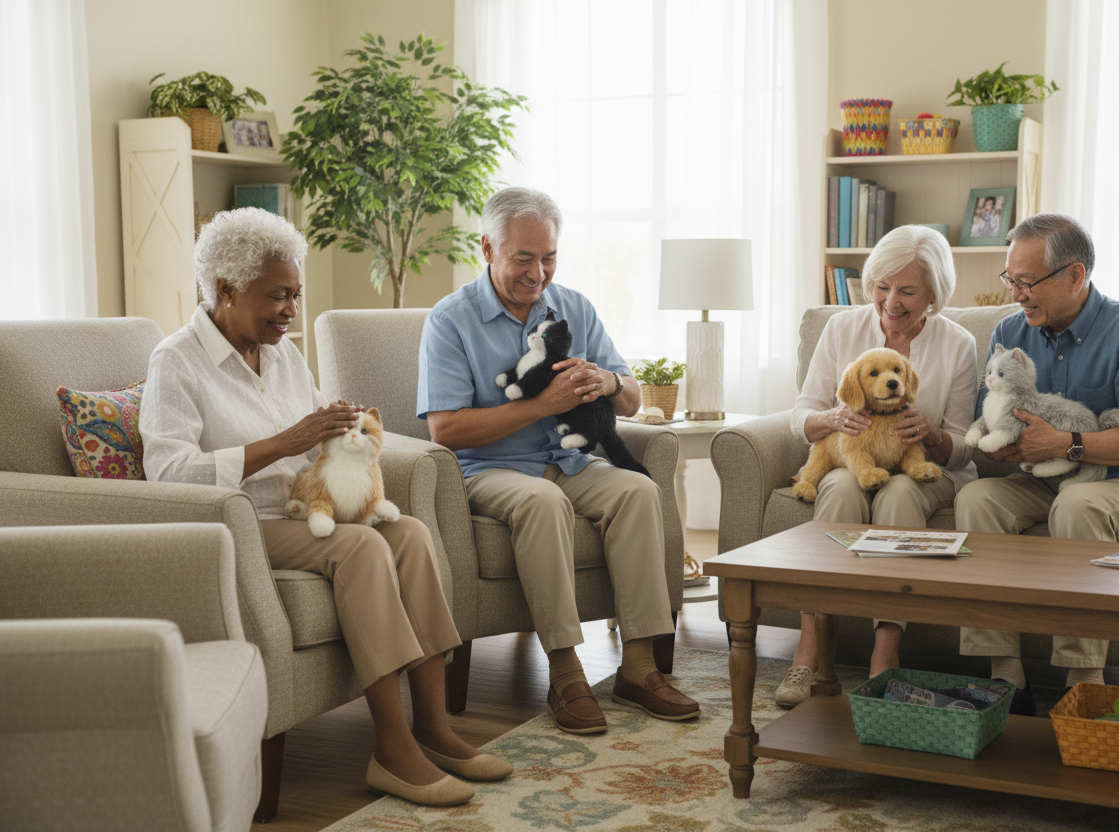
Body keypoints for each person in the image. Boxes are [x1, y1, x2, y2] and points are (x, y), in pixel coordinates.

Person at [140, 208, 510, 807]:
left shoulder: (282, 354)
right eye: (276, 296)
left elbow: (315, 435)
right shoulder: (176, 360)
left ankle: (433, 727)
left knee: (410, 534)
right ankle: (392, 749)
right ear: (227, 289)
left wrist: (342, 429)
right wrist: (284, 442)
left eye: (295, 295)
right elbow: (168, 473)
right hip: (238, 523)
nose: (290, 309)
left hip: (303, 511)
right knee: (360, 546)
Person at [417, 186, 700, 734]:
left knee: (638, 491)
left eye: (548, 257)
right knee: (542, 502)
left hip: (568, 461)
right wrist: (543, 404)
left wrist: (608, 380)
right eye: (523, 258)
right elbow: (445, 429)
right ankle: (567, 674)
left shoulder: (574, 307)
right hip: (488, 469)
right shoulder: (450, 320)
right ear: (487, 249)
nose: (538, 273)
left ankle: (639, 668)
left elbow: (631, 399)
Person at [955, 212, 1119, 716]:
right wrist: (1004, 445)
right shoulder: (1010, 331)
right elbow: (991, 418)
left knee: (1077, 504)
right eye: (1010, 279)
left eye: (1027, 282)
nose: (1016, 293)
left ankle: (1084, 681)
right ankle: (1005, 678)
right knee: (976, 498)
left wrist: (1062, 444)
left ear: (1075, 275)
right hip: (1041, 479)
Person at [776, 225, 980, 707]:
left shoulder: (958, 343)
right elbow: (801, 415)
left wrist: (930, 434)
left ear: (934, 294)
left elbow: (965, 448)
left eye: (907, 291)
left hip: (923, 468)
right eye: (882, 286)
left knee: (900, 493)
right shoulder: (841, 328)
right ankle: (809, 650)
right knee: (840, 489)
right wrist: (832, 418)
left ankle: (885, 654)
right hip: (853, 456)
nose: (891, 302)